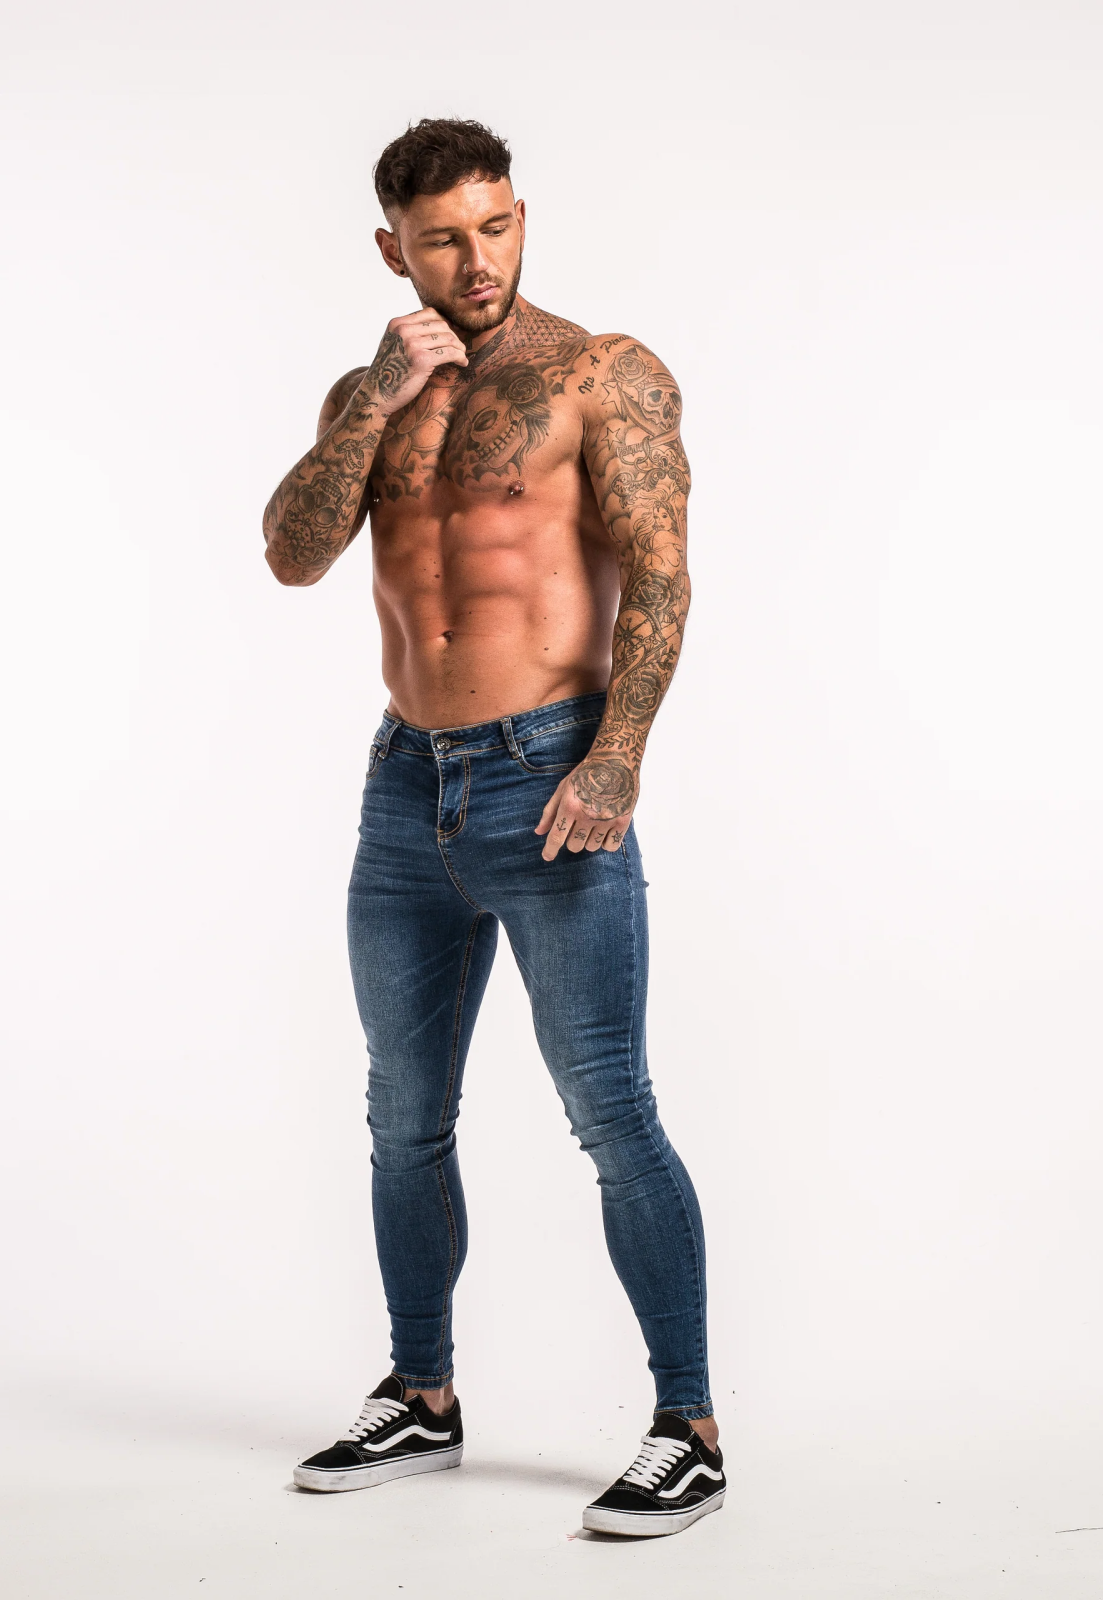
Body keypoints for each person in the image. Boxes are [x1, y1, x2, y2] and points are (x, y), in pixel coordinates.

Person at [263, 118, 723, 1537]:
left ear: (521, 216)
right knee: (403, 1116)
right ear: (391, 248)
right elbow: (291, 555)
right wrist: (373, 400)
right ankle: (422, 1395)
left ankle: (689, 1425)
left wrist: (618, 758)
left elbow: (662, 577)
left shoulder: (602, 373)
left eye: (497, 226)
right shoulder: (374, 390)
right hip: (406, 787)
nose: (477, 261)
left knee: (611, 1111)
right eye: (444, 239)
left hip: (549, 779)